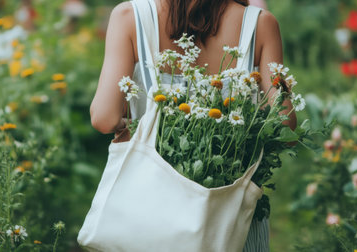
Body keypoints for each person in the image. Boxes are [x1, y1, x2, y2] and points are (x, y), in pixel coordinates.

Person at [89, 0, 297, 251]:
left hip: (148, 212)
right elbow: (285, 128)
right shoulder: (259, 24)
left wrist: (145, 125)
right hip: (226, 219)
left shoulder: (130, 17)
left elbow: (105, 118)